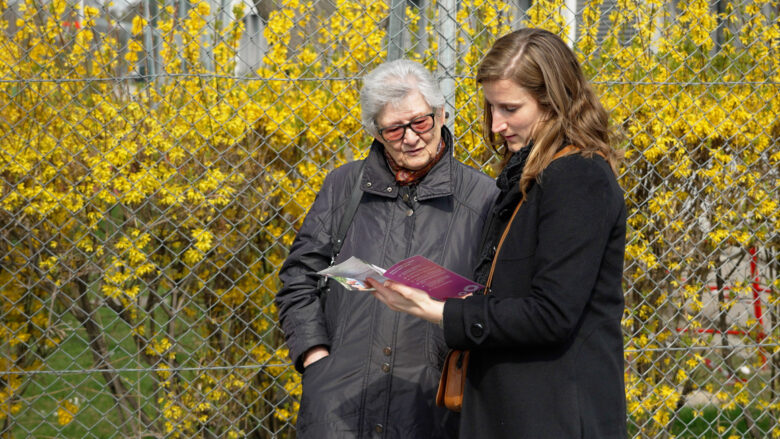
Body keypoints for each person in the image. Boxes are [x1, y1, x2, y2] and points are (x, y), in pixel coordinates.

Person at [368, 28, 628, 438]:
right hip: (519, 408)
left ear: (555, 101)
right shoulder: (535, 172)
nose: (497, 124)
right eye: (491, 107)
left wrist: (439, 311)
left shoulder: (578, 178)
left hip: (553, 413)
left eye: (510, 107)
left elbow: (552, 314)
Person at [275, 59, 497, 438]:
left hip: (432, 410)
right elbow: (298, 277)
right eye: (394, 129)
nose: (410, 137)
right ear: (377, 133)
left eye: (420, 122)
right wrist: (316, 358)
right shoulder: (344, 186)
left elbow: (498, 303)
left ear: (441, 114)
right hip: (339, 410)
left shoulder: (482, 198)